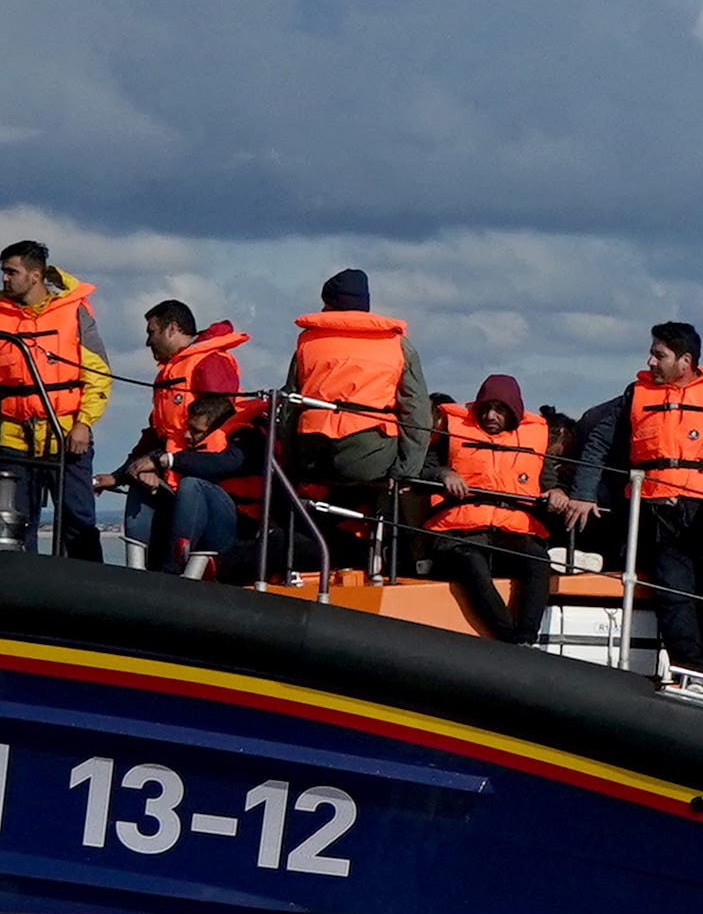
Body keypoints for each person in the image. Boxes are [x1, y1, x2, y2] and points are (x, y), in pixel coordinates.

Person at [612, 322, 703, 688]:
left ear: (685, 361)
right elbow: (603, 433)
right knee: (674, 600)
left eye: (659, 355)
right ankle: (690, 673)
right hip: (661, 511)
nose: (651, 361)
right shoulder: (636, 394)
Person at [271, 270, 425, 579]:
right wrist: (407, 470)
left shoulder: (308, 341)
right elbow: (417, 412)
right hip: (367, 459)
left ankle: (299, 558)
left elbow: (290, 407)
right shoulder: (397, 344)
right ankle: (385, 560)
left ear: (329, 304)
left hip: (313, 456)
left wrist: (289, 463)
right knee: (392, 481)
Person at [421, 374, 586, 644]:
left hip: (511, 532)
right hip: (459, 532)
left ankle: (526, 636)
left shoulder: (533, 438)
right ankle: (510, 639)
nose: (490, 416)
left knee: (538, 559)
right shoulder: (452, 430)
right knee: (470, 562)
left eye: (499, 410)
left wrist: (557, 493)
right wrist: (444, 474)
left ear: (513, 412)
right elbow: (424, 466)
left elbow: (547, 481)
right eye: (485, 408)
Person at [0, 241, 111, 559]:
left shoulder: (74, 311)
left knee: (78, 520)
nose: (5, 279)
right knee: (16, 523)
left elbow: (99, 374)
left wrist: (84, 424)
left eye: (12, 272)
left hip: (66, 437)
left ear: (35, 275)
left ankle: (87, 588)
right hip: (13, 437)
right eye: (3, 272)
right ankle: (19, 589)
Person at [104, 299, 248, 574]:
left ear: (171, 329)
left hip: (206, 486)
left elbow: (217, 426)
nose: (148, 342)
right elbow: (155, 435)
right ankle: (135, 572)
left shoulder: (210, 363)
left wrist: (162, 463)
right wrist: (124, 473)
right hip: (170, 479)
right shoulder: (170, 374)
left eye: (152, 332)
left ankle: (180, 573)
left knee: (191, 487)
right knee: (139, 483)